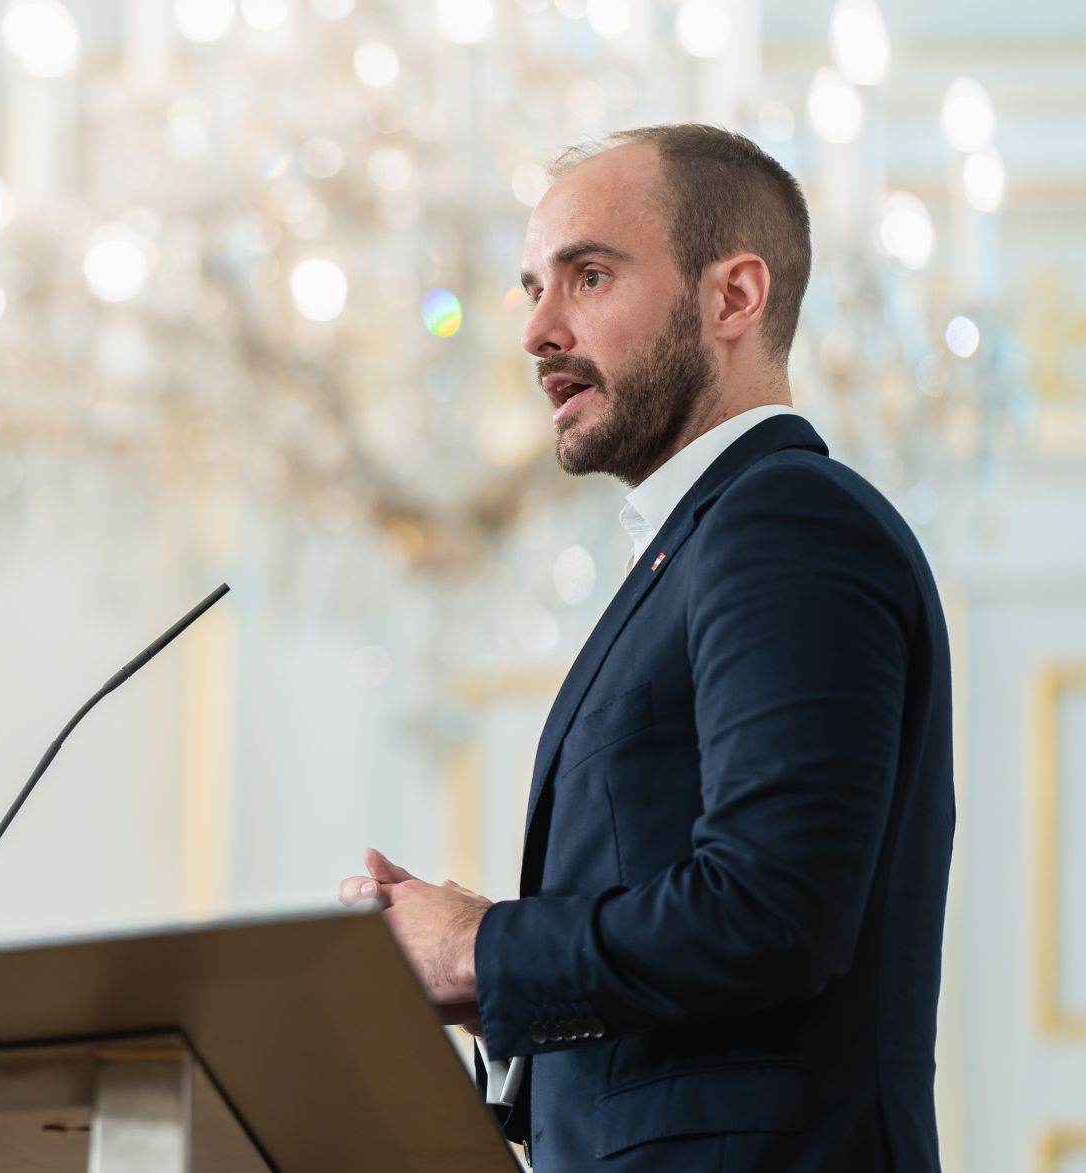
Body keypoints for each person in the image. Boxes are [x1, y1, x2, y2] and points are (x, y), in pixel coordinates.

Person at [338, 124, 954, 1172]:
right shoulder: (704, 542)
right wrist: (488, 982)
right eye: (530, 287)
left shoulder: (784, 521)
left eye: (586, 276)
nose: (536, 330)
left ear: (732, 298)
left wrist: (477, 950)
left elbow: (770, 912)